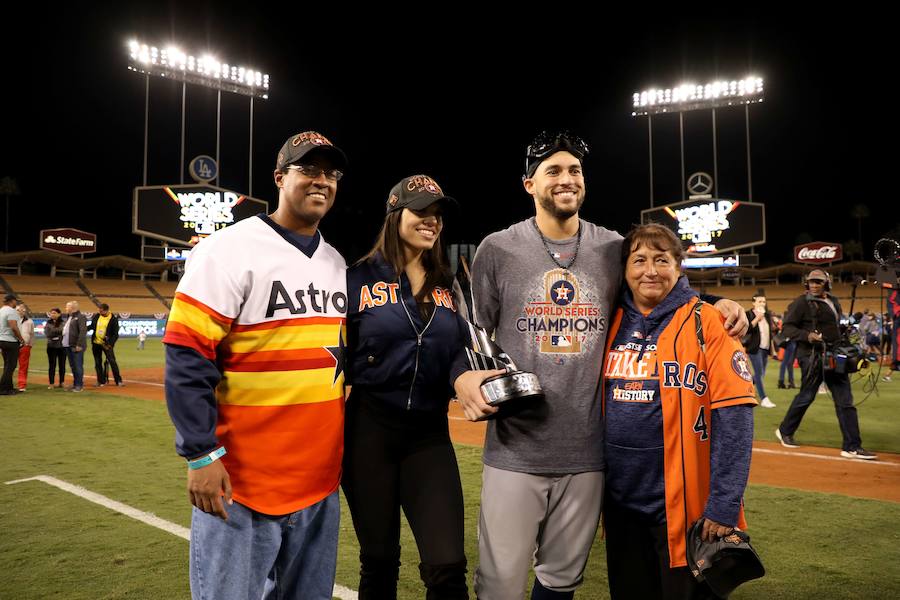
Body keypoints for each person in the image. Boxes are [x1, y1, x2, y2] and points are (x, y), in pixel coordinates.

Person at [453, 130, 749, 600]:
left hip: (590, 458)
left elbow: (657, 287)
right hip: (516, 449)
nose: (566, 179)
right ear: (529, 184)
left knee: (561, 579)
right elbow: (467, 335)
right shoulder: (497, 249)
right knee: (499, 586)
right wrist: (461, 376)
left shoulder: (612, 248)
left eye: (574, 170)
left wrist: (719, 303)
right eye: (553, 171)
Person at [163, 131, 349, 599]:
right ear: (280, 177)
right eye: (308, 169)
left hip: (320, 483)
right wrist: (200, 453)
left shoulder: (336, 262)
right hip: (242, 483)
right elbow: (188, 356)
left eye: (330, 173)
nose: (321, 181)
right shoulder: (226, 249)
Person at [602, 223, 756, 600]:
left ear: (679, 267)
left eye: (662, 260)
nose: (650, 270)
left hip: (687, 509)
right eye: (639, 260)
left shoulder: (710, 323)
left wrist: (723, 505)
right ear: (625, 270)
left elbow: (735, 417)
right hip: (620, 505)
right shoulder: (610, 322)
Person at [343, 175, 474, 599]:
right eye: (421, 211)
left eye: (438, 214)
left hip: (429, 435)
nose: (432, 221)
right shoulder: (355, 278)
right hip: (369, 431)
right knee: (379, 564)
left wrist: (463, 374)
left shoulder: (448, 284)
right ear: (395, 214)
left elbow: (459, 349)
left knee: (448, 567)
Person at [775, 269, 877, 460]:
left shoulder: (834, 301)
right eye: (811, 282)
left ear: (827, 284)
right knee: (806, 396)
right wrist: (807, 336)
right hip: (811, 356)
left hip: (834, 355)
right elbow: (787, 327)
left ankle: (852, 446)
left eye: (818, 282)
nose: (814, 285)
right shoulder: (801, 303)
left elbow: (834, 327)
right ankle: (785, 430)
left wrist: (844, 331)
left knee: (845, 400)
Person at [744, 293, 776, 407]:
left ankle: (744, 389)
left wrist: (773, 349)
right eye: (759, 301)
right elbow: (746, 330)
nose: (762, 303)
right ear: (753, 303)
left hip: (765, 348)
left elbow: (770, 333)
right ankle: (764, 399)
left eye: (763, 302)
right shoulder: (748, 314)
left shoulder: (767, 315)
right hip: (754, 348)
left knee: (761, 374)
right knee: (758, 373)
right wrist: (757, 318)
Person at [89, 303, 123, 386]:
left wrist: (110, 344)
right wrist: (83, 329)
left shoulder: (113, 319)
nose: (100, 312)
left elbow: (115, 334)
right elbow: (92, 326)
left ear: (107, 310)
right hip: (96, 343)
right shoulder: (97, 316)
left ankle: (118, 380)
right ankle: (100, 381)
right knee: (97, 363)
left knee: (112, 361)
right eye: (99, 311)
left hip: (106, 344)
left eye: (102, 311)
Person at [0, 294, 24, 395]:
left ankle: (9, 388)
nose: (16, 303)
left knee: (7, 365)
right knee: (11, 365)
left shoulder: (1, 310)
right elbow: (13, 327)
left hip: (2, 339)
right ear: (11, 301)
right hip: (10, 341)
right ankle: (2, 388)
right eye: (15, 301)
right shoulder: (11, 311)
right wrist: (21, 339)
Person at [61, 300, 87, 392]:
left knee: (78, 366)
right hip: (68, 345)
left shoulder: (81, 317)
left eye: (67, 307)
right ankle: (75, 384)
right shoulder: (70, 317)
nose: (66, 308)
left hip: (76, 346)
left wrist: (79, 344)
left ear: (72, 308)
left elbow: (83, 331)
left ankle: (79, 385)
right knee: (73, 366)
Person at [45, 308, 67, 388]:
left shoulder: (63, 322)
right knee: (52, 365)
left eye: (54, 313)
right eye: (51, 313)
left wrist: (54, 331)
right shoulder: (48, 323)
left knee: (62, 365)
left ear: (59, 314)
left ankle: (62, 382)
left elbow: (63, 331)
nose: (52, 314)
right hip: (51, 347)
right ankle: (51, 383)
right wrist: (58, 333)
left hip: (62, 346)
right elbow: (48, 334)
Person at [16, 304, 34, 391]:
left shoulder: (29, 321)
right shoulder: (11, 320)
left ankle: (21, 385)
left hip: (25, 347)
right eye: (19, 310)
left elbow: (32, 334)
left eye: (23, 310)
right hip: (13, 345)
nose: (21, 311)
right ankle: (7, 384)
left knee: (23, 366)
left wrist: (30, 345)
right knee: (10, 366)